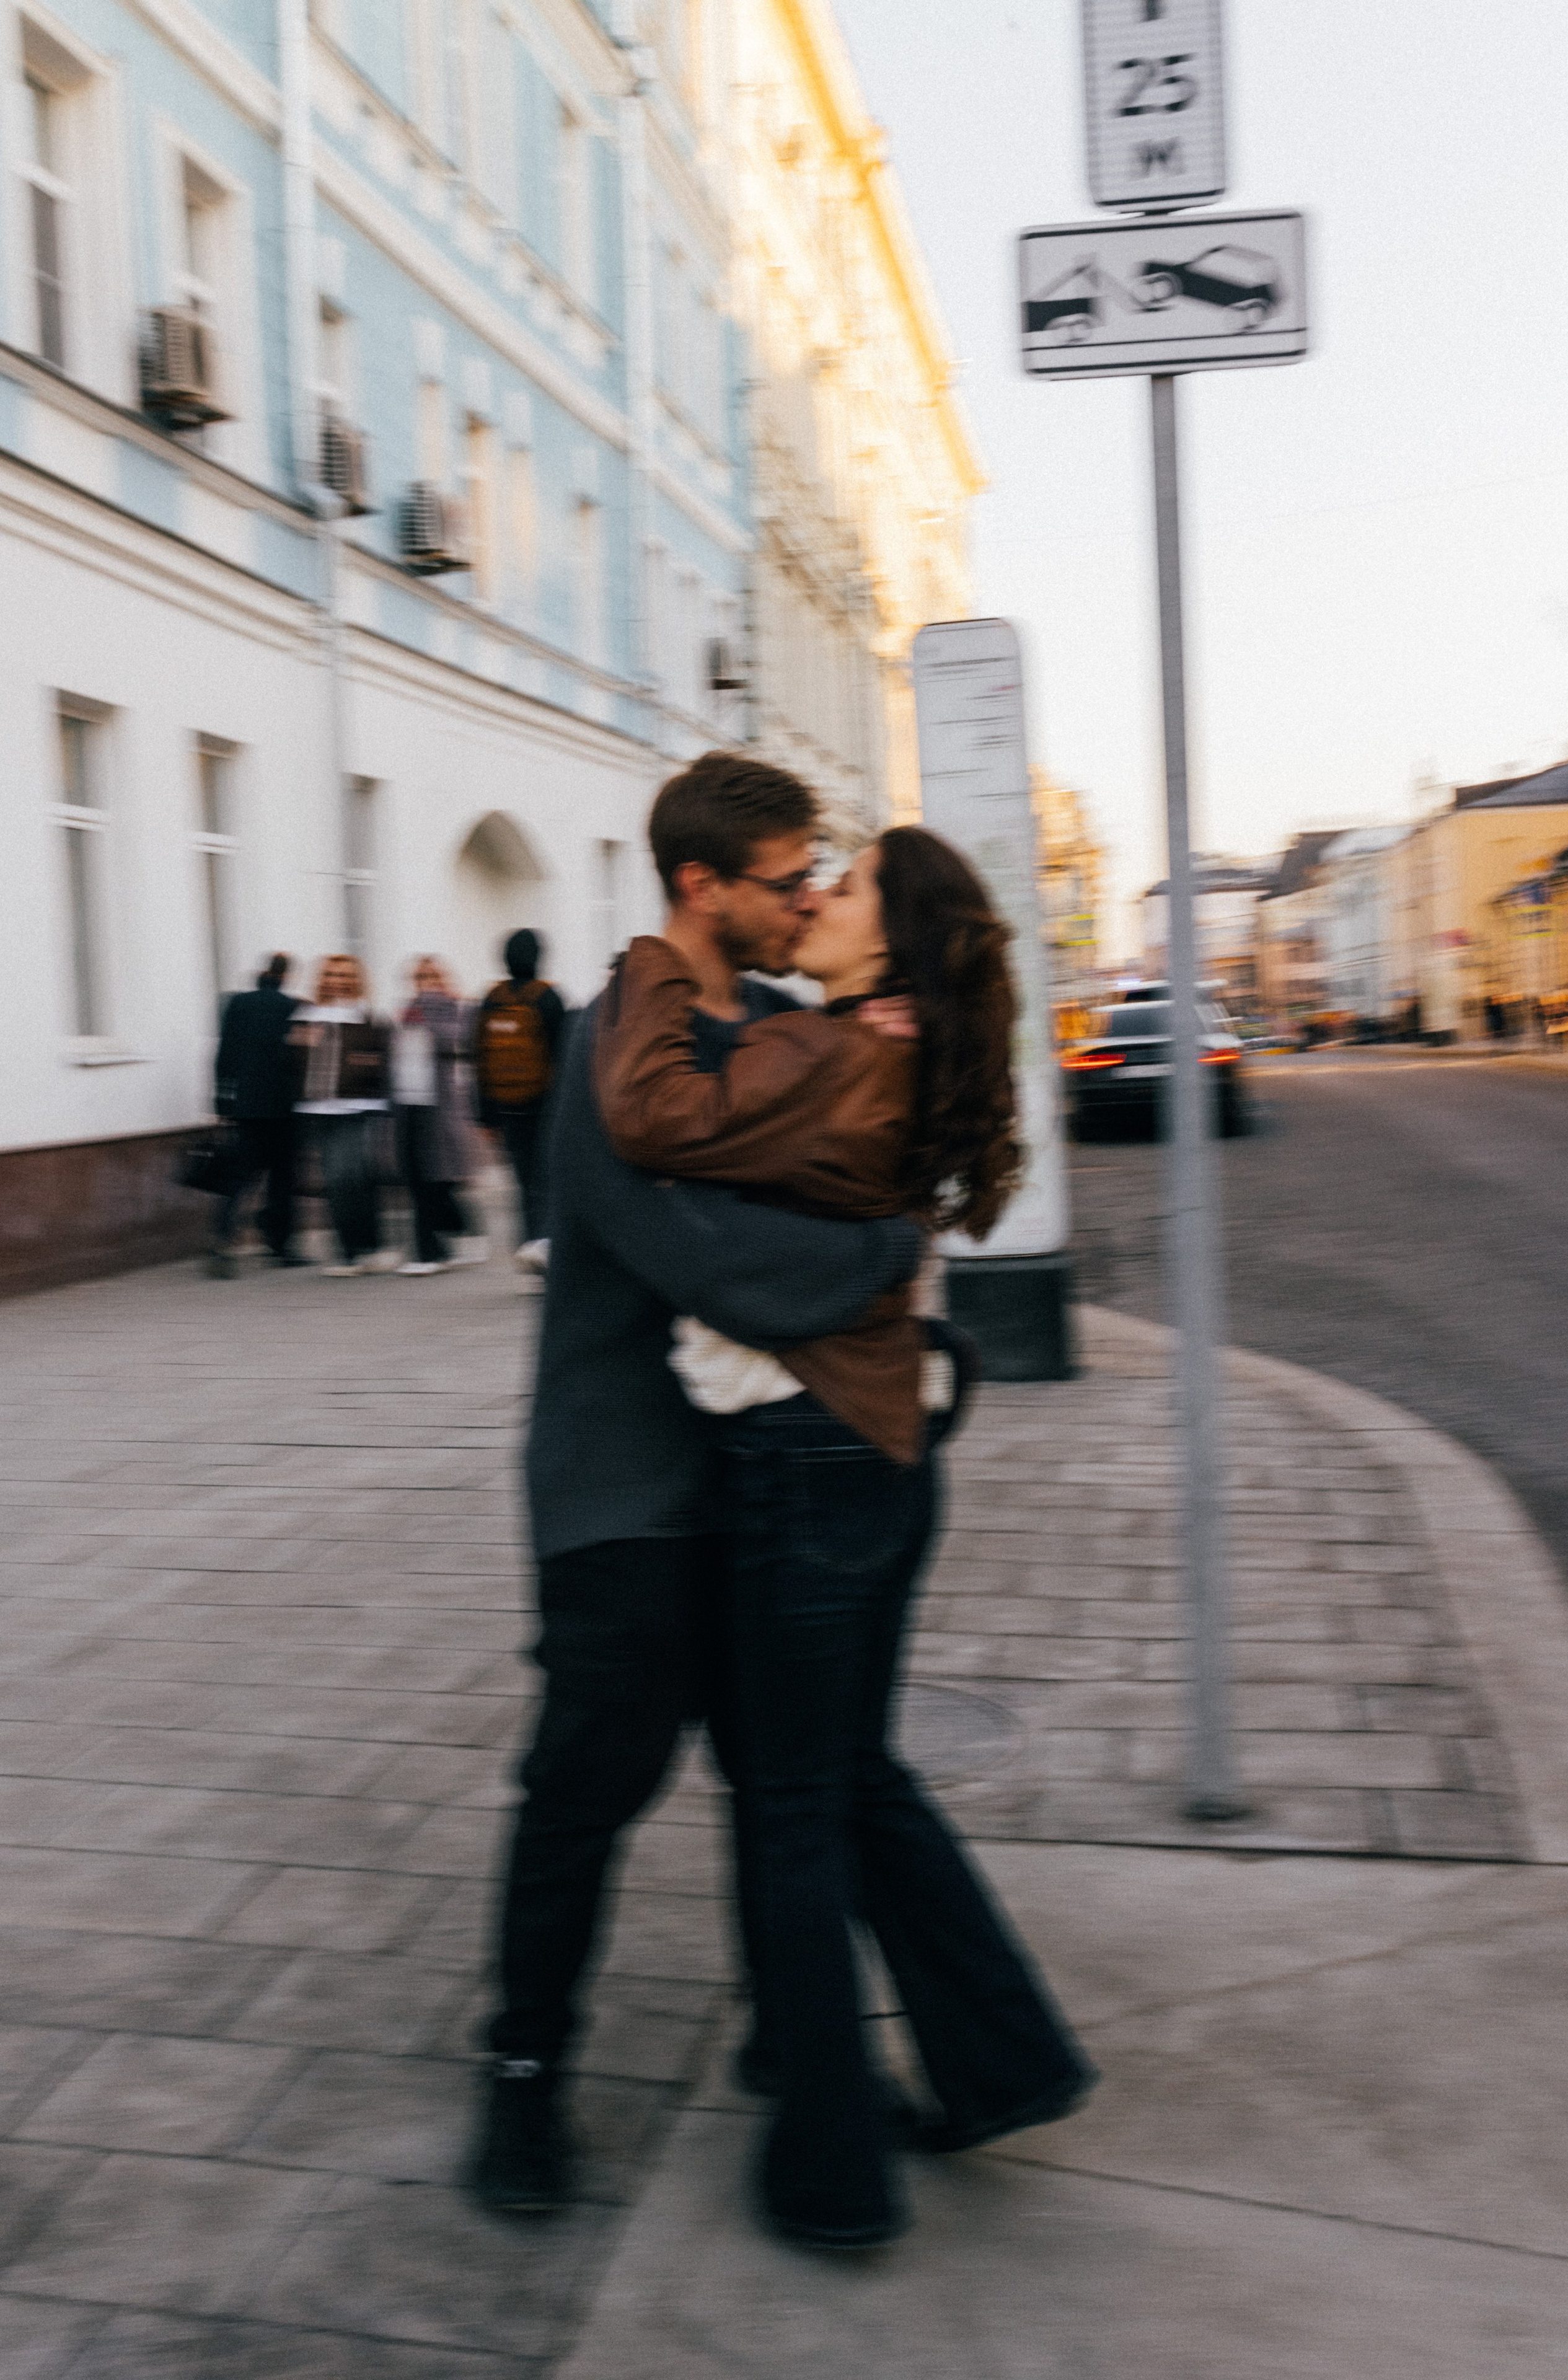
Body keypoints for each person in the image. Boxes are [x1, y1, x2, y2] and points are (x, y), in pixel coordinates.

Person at [593, 827, 1095, 2249]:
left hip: (804, 1456)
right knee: (845, 1777)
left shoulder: (840, 1050)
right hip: (866, 1455)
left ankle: (829, 2169)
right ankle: (1002, 2058)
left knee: (793, 1805)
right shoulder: (882, 1036)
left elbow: (651, 1119)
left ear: (896, 941)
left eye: (850, 886)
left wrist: (651, 960)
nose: (816, 896)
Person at [470, 754, 924, 2221]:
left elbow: (860, 1177)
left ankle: (796, 2053)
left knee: (775, 1787)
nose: (805, 899)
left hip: (758, 1478)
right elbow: (713, 1263)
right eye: (786, 878)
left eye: (814, 877)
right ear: (699, 885)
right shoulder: (621, 1048)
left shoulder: (788, 1031)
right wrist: (881, 1272)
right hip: (622, 1493)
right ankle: (523, 2075)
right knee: (584, 1788)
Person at [289, 954, 392, 1276]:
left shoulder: (369, 1018)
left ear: (358, 980)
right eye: (332, 974)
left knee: (354, 1174)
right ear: (322, 979)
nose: (338, 980)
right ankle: (350, 1253)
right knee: (335, 1179)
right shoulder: (305, 1017)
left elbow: (384, 1063)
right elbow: (291, 1064)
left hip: (359, 1108)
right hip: (318, 1109)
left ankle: (371, 1247)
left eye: (346, 975)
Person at [474, 930, 566, 1276]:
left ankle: (529, 1246)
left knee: (523, 1181)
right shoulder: (549, 998)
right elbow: (562, 1057)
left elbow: (479, 1059)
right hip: (543, 1106)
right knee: (547, 1179)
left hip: (506, 1106)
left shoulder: (491, 1000)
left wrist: (485, 1118)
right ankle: (544, 1246)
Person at [208, 953, 306, 1276]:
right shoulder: (293, 1007)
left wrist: (222, 1103)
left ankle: (223, 1239)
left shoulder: (237, 1005)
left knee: (239, 1177)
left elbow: (224, 1055)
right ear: (286, 976)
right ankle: (280, 1245)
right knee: (282, 1177)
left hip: (247, 1107)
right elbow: (300, 1060)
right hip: (285, 1107)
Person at [391, 956, 488, 1276]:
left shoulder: (457, 1008)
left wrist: (428, 1012)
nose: (426, 982)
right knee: (422, 1180)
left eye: (432, 976)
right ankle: (431, 1250)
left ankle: (452, 1240)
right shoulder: (407, 1010)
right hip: (411, 1105)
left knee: (441, 1182)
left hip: (444, 1107)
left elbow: (455, 1040)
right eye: (420, 976)